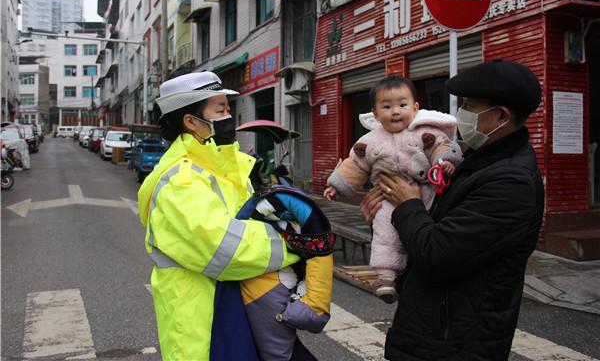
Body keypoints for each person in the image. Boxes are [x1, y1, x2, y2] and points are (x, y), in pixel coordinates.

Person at [361, 60, 545, 360]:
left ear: (501, 116)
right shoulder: (476, 159)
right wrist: (385, 213)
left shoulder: (510, 183)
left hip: (455, 344)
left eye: (470, 106)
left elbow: (437, 254)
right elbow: (431, 224)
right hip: (430, 329)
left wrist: (407, 205)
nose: (462, 114)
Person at [138, 71, 324, 360]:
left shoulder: (224, 164)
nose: (230, 117)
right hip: (200, 321)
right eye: (221, 109)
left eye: (229, 108)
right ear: (191, 121)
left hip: (237, 306)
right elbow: (225, 247)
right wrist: (296, 242)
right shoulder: (179, 181)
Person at [323, 76, 462, 303]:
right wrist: (336, 185)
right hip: (386, 198)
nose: (395, 112)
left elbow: (441, 146)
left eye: (402, 105)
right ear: (376, 114)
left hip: (425, 191)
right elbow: (356, 164)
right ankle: (386, 277)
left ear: (416, 108)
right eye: (387, 107)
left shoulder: (424, 131)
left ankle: (414, 271)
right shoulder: (369, 141)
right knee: (385, 233)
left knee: (426, 230)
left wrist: (444, 162)